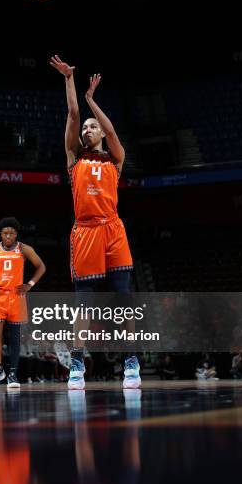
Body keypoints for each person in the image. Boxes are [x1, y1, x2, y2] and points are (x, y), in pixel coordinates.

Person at [50, 55, 140, 390]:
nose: (87, 129)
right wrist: (70, 81)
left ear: (100, 132)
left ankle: (130, 361)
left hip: (114, 229)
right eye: (85, 128)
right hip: (86, 231)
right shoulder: (74, 160)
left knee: (123, 299)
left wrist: (93, 100)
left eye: (92, 126)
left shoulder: (115, 161)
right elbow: (72, 114)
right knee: (83, 304)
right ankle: (77, 365)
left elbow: (113, 130)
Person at [0, 217, 46, 389]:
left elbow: (41, 267)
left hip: (16, 297)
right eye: (5, 233)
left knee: (15, 338)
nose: (8, 236)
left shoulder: (24, 249)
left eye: (11, 233)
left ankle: (13, 373)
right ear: (1, 234)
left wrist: (30, 284)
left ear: (16, 234)